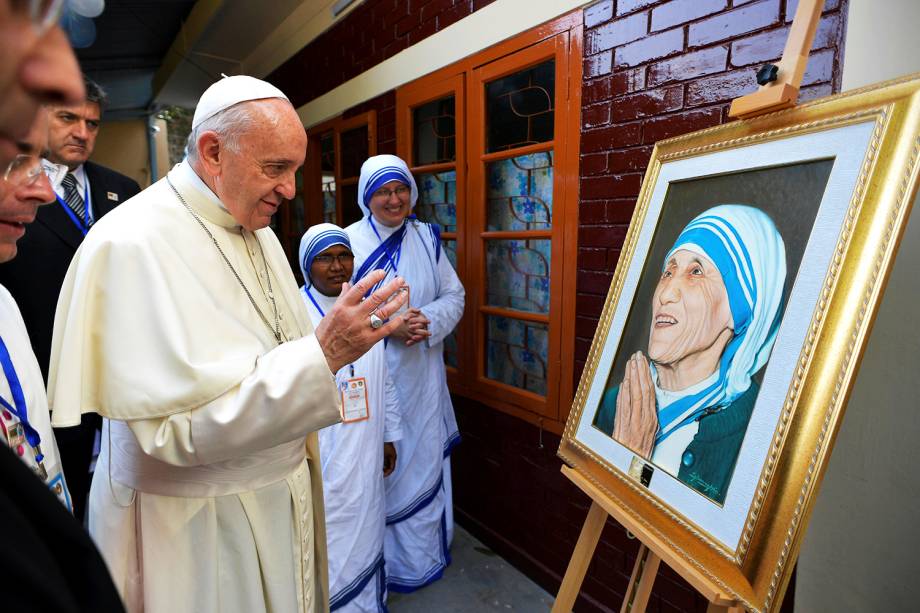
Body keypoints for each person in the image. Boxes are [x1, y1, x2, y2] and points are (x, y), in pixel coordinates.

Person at [47, 76, 408, 613]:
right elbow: (173, 433)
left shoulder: (255, 228)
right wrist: (325, 353)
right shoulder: (129, 245)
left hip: (274, 501)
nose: (289, 190)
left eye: (295, 170)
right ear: (214, 152)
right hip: (193, 530)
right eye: (275, 168)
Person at [0, 75, 141, 523]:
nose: (82, 132)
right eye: (67, 118)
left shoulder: (124, 192)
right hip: (43, 371)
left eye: (93, 124)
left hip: (115, 374)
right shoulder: (17, 200)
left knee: (123, 493)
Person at [593, 205, 786, 504]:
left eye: (696, 272)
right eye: (668, 271)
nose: (666, 293)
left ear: (740, 308)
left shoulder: (758, 435)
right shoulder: (614, 404)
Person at [347, 154, 464, 592]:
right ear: (367, 197)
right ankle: (382, 569)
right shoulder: (349, 244)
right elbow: (339, 313)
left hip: (422, 379)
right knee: (382, 468)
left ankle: (422, 560)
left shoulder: (428, 238)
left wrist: (427, 320)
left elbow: (455, 294)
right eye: (383, 191)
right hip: (375, 375)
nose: (393, 200)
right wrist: (388, 327)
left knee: (423, 459)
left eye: (400, 190)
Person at [299, 223, 403, 612]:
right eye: (325, 258)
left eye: (344, 255)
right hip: (320, 453)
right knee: (326, 532)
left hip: (365, 446)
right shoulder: (294, 314)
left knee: (367, 523)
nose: (337, 266)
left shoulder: (368, 310)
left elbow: (385, 378)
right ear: (307, 265)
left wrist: (388, 435)